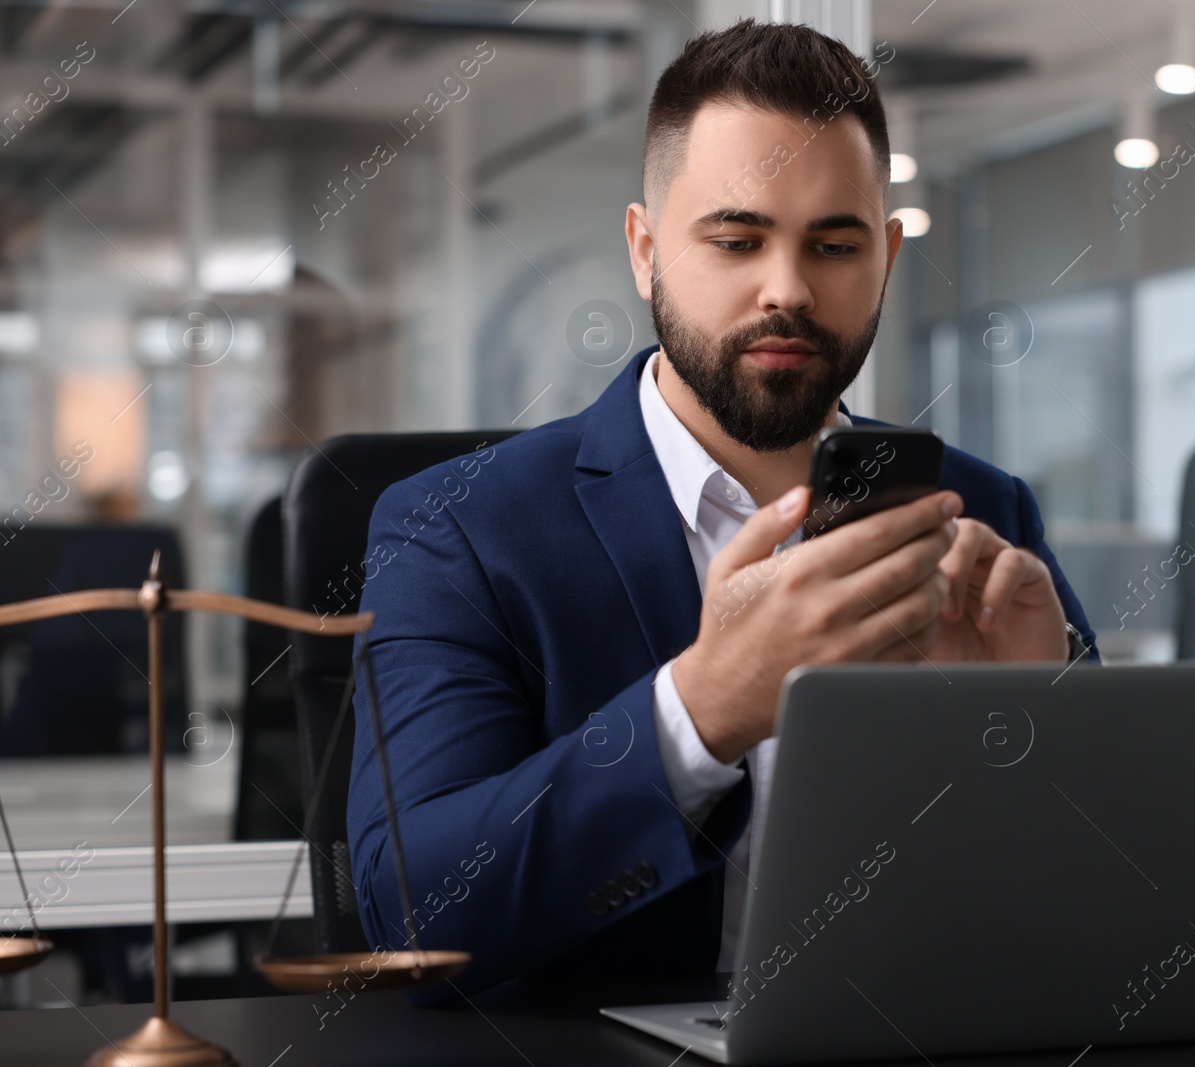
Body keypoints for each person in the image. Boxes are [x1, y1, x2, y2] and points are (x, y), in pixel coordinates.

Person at [348, 19, 1097, 1002]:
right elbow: (412, 913)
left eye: (834, 244)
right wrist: (705, 706)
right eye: (737, 239)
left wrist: (1030, 727)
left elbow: (1103, 900)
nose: (785, 288)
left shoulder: (985, 509)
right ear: (646, 249)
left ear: (888, 257)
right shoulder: (456, 526)